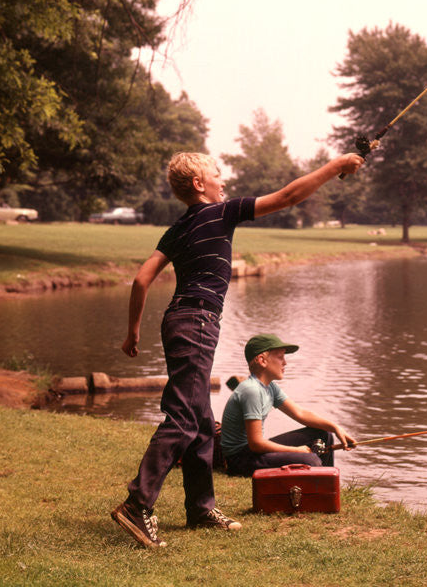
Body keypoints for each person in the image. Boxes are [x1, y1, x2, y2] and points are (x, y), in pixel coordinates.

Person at [110, 151, 364, 549]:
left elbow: (142, 279)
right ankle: (137, 504)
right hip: (197, 322)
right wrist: (336, 167)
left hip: (178, 321)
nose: (223, 181)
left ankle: (201, 508)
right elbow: (287, 197)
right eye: (217, 174)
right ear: (199, 185)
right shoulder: (222, 212)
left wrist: (133, 333)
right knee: (183, 417)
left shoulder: (177, 229)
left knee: (200, 420)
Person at [219, 333, 356, 476]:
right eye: (280, 357)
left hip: (252, 452)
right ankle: (320, 483)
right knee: (311, 460)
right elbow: (256, 444)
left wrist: (335, 428)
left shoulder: (269, 387)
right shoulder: (251, 390)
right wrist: (297, 450)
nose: (285, 363)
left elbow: (300, 413)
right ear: (262, 360)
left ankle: (327, 482)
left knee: (324, 435)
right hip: (240, 460)